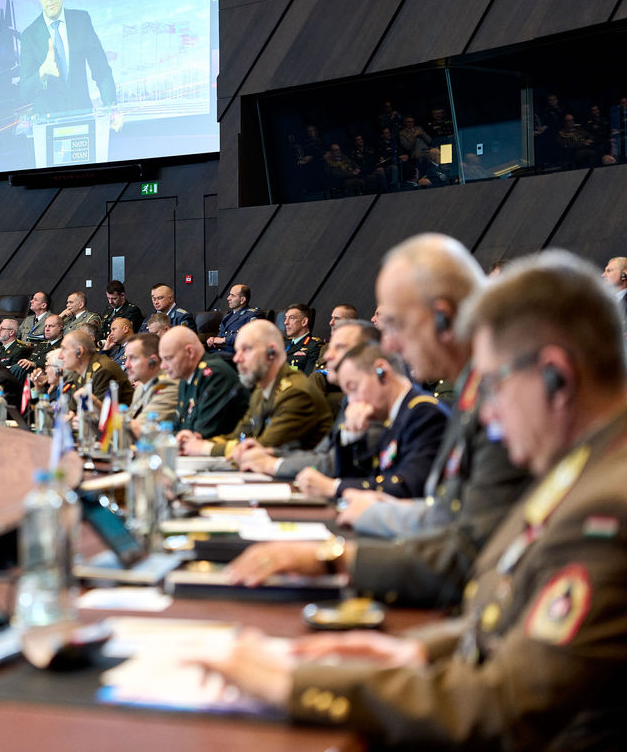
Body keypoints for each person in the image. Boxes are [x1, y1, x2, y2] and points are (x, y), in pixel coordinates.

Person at [196, 250, 627, 750]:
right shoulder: (583, 468)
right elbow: (504, 608)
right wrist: (410, 653)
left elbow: (506, 705)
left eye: (493, 386)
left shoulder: (605, 505)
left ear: (557, 375)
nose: (487, 415)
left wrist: (299, 684)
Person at [227, 234, 531, 608]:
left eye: (394, 326)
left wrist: (333, 559)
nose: (390, 346)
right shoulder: (473, 390)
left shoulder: (499, 397)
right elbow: (448, 513)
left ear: (442, 315)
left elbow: (468, 549)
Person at [293, 343, 448, 500]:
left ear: (381, 371)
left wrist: (334, 487)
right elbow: (367, 477)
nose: (353, 402)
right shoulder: (395, 414)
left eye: (353, 388)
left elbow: (408, 487)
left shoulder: (424, 413)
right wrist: (352, 437)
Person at [231, 319, 382, 479]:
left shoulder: (375, 404)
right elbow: (319, 454)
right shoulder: (350, 401)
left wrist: (271, 463)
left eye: (339, 347)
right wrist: (272, 453)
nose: (327, 355)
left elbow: (333, 464)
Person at [181, 319, 333, 457]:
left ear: (271, 353)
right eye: (237, 350)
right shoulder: (261, 391)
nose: (236, 358)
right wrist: (196, 442)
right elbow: (239, 436)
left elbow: (262, 449)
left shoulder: (296, 393)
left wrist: (204, 448)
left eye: (245, 349)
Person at [19, 0, 118, 123]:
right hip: (48, 126)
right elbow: (24, 93)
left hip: (83, 120)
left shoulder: (81, 21)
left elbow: (102, 72)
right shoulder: (29, 36)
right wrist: (42, 72)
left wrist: (112, 108)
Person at [158, 325, 247, 439]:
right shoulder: (186, 376)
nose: (163, 366)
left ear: (190, 352)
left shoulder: (214, 374)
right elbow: (179, 427)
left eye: (168, 358)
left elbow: (202, 434)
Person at [122, 332, 178, 439]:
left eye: (132, 358)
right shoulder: (142, 386)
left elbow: (138, 430)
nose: (126, 365)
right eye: (126, 358)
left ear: (153, 361)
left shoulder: (167, 385)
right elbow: (128, 420)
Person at [59, 328, 131, 409]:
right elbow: (73, 409)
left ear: (79, 351)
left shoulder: (103, 371)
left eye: (64, 349)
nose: (60, 356)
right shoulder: (78, 372)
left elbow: (100, 414)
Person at [206, 283, 257, 357]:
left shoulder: (252, 314)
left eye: (232, 296)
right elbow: (221, 335)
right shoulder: (228, 316)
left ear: (242, 300)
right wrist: (213, 340)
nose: (228, 298)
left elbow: (250, 335)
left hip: (235, 354)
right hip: (220, 351)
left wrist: (224, 340)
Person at [281, 303, 324, 373]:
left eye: (291, 318)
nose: (286, 322)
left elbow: (308, 378)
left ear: (304, 322)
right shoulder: (284, 343)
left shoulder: (314, 346)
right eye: (285, 318)